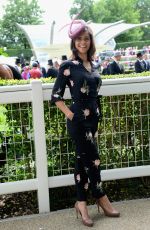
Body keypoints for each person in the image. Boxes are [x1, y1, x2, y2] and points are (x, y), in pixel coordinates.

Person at [51, 18, 120, 227]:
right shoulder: (68, 66)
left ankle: (81, 203)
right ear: (74, 42)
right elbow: (56, 96)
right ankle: (100, 196)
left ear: (91, 41)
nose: (83, 42)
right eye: (79, 39)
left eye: (86, 38)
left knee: (82, 162)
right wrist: (71, 115)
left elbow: (94, 92)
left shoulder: (94, 64)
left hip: (93, 120)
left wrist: (95, 119)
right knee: (94, 159)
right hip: (78, 121)